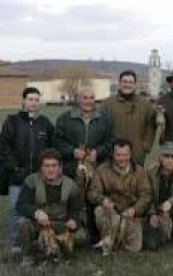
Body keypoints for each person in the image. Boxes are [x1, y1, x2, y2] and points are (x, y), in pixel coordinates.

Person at [53, 86, 114, 244]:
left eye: (91, 98)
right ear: (78, 99)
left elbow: (111, 141)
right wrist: (72, 151)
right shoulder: (65, 119)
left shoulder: (104, 119)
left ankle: (94, 234)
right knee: (74, 199)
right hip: (72, 167)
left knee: (93, 199)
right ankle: (72, 233)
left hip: (97, 167)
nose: (88, 101)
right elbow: (56, 141)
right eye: (84, 97)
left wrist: (98, 152)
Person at [1, 87, 54, 253]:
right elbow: (3, 147)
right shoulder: (12, 121)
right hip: (18, 176)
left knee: (39, 210)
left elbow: (52, 147)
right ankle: (16, 244)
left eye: (36, 100)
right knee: (17, 210)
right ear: (23, 101)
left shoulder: (45, 123)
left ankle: (39, 241)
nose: (33, 103)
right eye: (30, 99)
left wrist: (47, 170)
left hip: (40, 177)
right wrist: (15, 167)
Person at [16, 149, 85, 266]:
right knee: (23, 223)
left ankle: (56, 248)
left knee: (81, 237)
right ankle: (28, 256)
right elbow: (21, 205)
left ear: (60, 167)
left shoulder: (70, 184)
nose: (50, 169)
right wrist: (36, 213)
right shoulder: (31, 181)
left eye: (54, 165)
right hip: (39, 225)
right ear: (41, 168)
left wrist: (73, 219)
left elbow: (76, 209)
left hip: (61, 224)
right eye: (46, 166)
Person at [88, 139, 152, 253]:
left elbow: (146, 195)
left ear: (130, 154)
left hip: (130, 213)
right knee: (99, 211)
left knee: (134, 248)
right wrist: (103, 200)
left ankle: (119, 239)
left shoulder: (140, 171)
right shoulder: (102, 170)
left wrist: (134, 209)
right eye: (118, 155)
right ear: (112, 154)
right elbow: (92, 192)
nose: (122, 159)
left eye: (125, 155)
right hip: (111, 212)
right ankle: (108, 241)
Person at [101, 70, 157, 165]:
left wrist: (145, 147)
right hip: (114, 154)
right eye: (125, 82)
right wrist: (107, 148)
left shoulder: (145, 104)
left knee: (136, 179)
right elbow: (101, 129)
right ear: (120, 83)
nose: (127, 85)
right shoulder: (107, 104)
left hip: (137, 154)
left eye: (130, 82)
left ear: (135, 84)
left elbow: (151, 127)